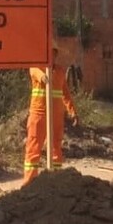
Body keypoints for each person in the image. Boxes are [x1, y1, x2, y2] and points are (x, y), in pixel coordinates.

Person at [23, 45, 80, 185]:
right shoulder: (36, 68)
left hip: (56, 116)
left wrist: (73, 111)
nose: (51, 56)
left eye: (53, 54)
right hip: (39, 114)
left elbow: (66, 94)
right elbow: (35, 72)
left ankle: (56, 182)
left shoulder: (60, 71)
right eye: (48, 53)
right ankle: (29, 183)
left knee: (56, 147)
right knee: (33, 148)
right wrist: (43, 76)